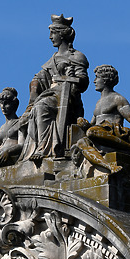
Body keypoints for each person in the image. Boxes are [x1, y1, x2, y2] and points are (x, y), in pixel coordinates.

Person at [20, 14, 89, 161]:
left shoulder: (76, 56)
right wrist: (35, 83)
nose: (50, 37)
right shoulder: (52, 59)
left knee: (41, 106)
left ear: (62, 34)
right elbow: (41, 76)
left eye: (53, 33)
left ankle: (44, 148)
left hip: (67, 98)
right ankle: (38, 145)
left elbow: (84, 82)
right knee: (36, 107)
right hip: (51, 95)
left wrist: (74, 79)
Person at [74, 65, 130, 173]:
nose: (94, 81)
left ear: (105, 80)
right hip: (97, 132)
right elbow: (92, 125)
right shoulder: (98, 102)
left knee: (92, 132)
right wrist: (84, 124)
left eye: (97, 77)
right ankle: (109, 167)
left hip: (112, 133)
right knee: (81, 142)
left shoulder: (117, 98)